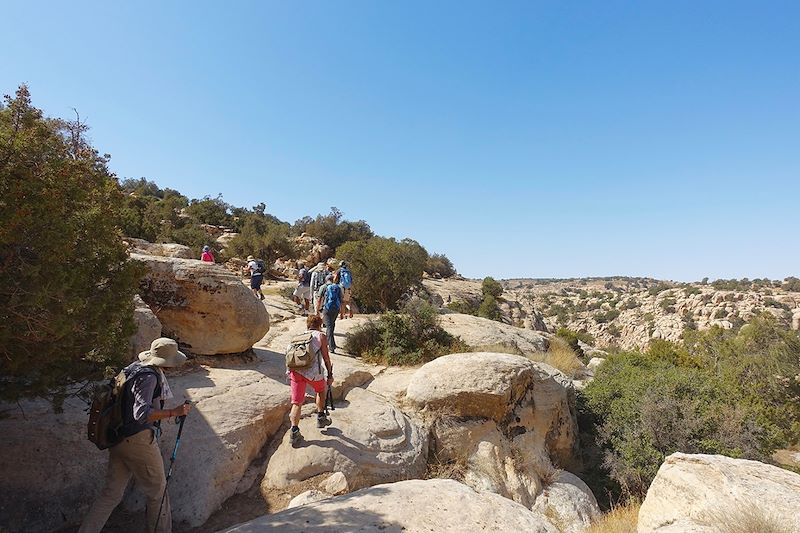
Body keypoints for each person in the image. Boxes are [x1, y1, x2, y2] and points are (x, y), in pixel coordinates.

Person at [79, 338, 193, 533]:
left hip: (118, 437)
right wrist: (174, 412)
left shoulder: (133, 368)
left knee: (111, 493)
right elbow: (142, 414)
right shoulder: (149, 377)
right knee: (158, 492)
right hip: (138, 440)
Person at [287, 314, 333, 445]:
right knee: (320, 390)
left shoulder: (297, 337)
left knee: (297, 403)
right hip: (313, 372)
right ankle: (321, 417)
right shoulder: (321, 336)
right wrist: (330, 374)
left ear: (307, 325)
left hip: (295, 371)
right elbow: (326, 357)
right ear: (319, 325)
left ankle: (294, 431)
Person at [315, 274, 342, 354]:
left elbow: (319, 299)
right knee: (331, 325)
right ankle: (329, 343)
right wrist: (342, 312)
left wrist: (317, 310)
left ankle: (331, 346)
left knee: (329, 327)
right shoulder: (338, 287)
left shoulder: (323, 287)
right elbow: (341, 300)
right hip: (336, 309)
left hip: (327, 309)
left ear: (326, 279)